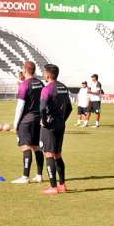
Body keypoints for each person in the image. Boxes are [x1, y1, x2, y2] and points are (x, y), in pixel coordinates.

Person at [40, 63, 73, 195]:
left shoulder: (47, 89)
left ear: (48, 75)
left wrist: (44, 122)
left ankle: (53, 187)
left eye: (44, 73)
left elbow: (42, 109)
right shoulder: (63, 87)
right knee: (58, 154)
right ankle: (62, 185)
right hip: (60, 124)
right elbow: (70, 108)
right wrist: (62, 120)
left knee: (48, 154)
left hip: (50, 125)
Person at [11, 61, 44, 184]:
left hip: (26, 120)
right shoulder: (40, 83)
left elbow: (20, 106)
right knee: (37, 147)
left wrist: (15, 124)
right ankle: (39, 175)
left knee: (26, 147)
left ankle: (25, 177)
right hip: (38, 119)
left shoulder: (24, 85)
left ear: (25, 70)